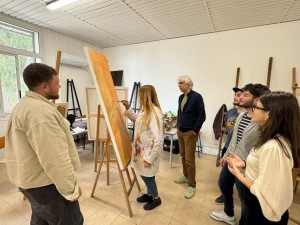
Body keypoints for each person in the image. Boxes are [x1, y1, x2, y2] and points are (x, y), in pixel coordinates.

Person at [5, 63, 83, 225]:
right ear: (45, 86)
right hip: (46, 185)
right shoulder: (40, 112)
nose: (60, 85)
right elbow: (55, 158)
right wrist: (70, 189)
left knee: (42, 220)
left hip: (31, 183)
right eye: (57, 82)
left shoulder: (24, 105)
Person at [226, 91, 300, 225]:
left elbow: (263, 189)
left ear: (269, 114)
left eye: (257, 107)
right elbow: (267, 171)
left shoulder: (273, 146)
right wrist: (244, 164)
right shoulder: (271, 138)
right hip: (256, 206)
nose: (253, 110)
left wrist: (238, 174)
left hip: (262, 212)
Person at [210, 83, 270, 225]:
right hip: (232, 160)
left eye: (245, 94)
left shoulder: (261, 123)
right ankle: (228, 213)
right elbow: (233, 140)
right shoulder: (241, 116)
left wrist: (244, 164)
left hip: (245, 168)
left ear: (256, 100)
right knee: (223, 184)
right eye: (241, 94)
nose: (241, 96)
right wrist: (225, 156)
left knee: (245, 201)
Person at [122, 85, 164, 210]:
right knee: (145, 174)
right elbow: (138, 121)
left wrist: (149, 159)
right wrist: (128, 108)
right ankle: (150, 194)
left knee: (147, 175)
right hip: (142, 150)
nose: (139, 98)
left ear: (145, 96)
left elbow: (158, 139)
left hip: (148, 152)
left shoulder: (155, 113)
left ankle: (156, 198)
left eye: (140, 95)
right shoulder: (145, 110)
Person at [174, 75, 206, 199]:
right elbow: (179, 112)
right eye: (178, 83)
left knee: (189, 159)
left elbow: (202, 115)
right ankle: (186, 175)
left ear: (188, 84)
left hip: (190, 133)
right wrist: (178, 125)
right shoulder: (181, 97)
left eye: (181, 83)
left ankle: (192, 185)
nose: (179, 85)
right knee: (182, 154)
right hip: (180, 131)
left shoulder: (197, 97)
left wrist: (195, 130)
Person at [215, 87, 245, 205]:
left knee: (238, 177)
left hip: (240, 152)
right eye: (235, 95)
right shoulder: (231, 113)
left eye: (238, 95)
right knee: (225, 176)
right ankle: (225, 194)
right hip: (228, 147)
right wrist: (225, 148)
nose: (235, 97)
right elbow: (229, 132)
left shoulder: (248, 115)